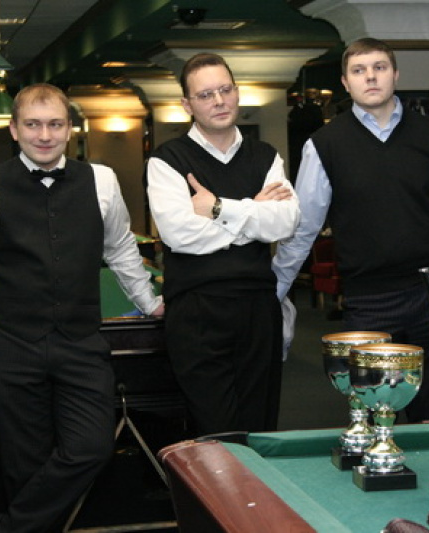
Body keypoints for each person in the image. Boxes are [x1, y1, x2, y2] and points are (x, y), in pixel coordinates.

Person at [0, 83, 165, 533]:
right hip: (12, 345)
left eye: (54, 124)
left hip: (81, 342)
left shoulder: (102, 180)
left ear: (69, 129)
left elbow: (121, 248)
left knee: (91, 447)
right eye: (33, 124)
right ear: (14, 129)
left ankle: (0, 530)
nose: (44, 135)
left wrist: (149, 302)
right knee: (23, 464)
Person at [272, 37, 429, 422]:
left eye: (379, 68)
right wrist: (275, 291)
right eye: (359, 70)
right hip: (368, 301)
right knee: (369, 419)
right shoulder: (324, 144)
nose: (370, 77)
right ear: (345, 83)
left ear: (395, 75)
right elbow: (304, 228)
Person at [146, 53, 299, 437]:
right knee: (216, 433)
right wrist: (253, 214)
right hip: (197, 311)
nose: (218, 101)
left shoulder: (265, 156)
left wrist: (218, 209)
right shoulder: (167, 160)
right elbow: (180, 235)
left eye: (225, 90)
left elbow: (285, 222)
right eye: (205, 95)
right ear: (187, 105)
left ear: (237, 92)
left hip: (258, 309)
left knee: (259, 431)